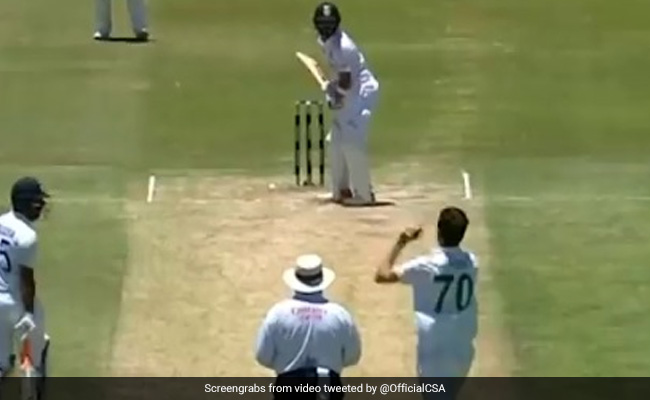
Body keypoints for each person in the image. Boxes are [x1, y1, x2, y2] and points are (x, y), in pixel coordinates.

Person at [374, 207, 477, 397]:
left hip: (435, 347)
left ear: (439, 231)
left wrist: (401, 242)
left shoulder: (426, 265)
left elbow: (382, 274)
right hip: (463, 345)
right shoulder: (472, 262)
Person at [255, 254, 361, 399]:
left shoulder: (278, 314)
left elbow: (263, 356)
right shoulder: (340, 315)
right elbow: (352, 356)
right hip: (327, 386)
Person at [313, 2, 379, 206]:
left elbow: (347, 81)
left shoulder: (345, 47)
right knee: (335, 141)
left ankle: (364, 194)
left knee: (351, 142)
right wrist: (333, 89)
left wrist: (336, 95)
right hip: (350, 91)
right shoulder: (326, 41)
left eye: (329, 23)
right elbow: (341, 75)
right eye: (322, 23)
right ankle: (341, 190)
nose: (325, 27)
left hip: (361, 95)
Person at [0, 177, 51, 394]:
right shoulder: (27, 236)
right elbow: (26, 280)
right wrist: (29, 313)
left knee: (2, 364)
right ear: (25, 204)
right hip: (16, 303)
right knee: (37, 353)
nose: (41, 207)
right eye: (37, 202)